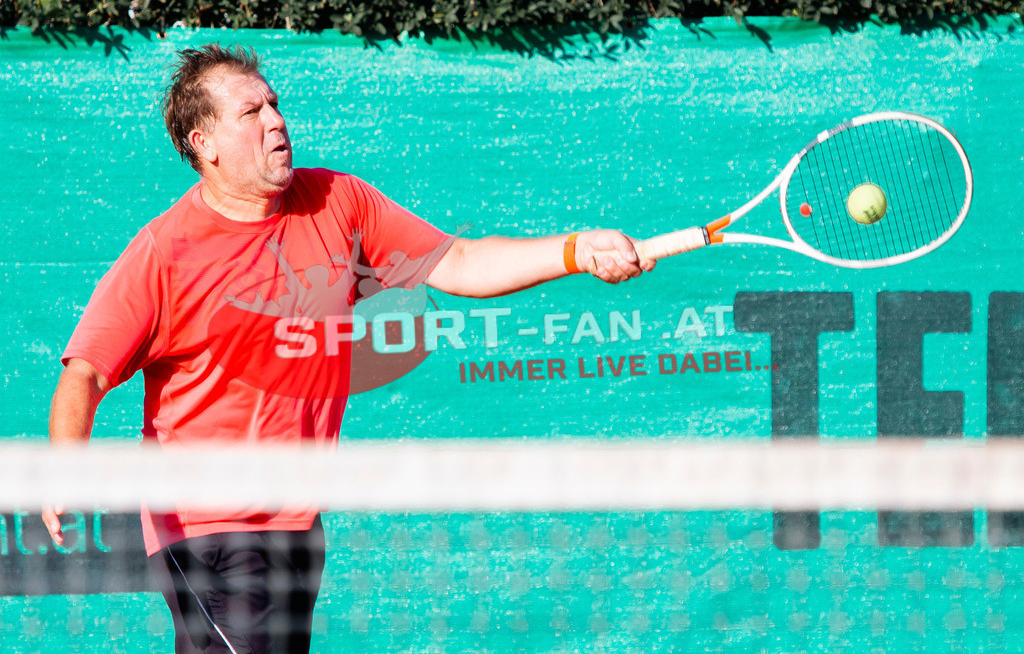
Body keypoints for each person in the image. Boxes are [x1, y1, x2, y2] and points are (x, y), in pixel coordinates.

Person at [41, 44, 654, 653]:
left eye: (274, 104)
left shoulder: (340, 202)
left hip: (298, 526)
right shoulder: (163, 253)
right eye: (251, 113)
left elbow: (460, 261)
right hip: (208, 531)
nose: (276, 121)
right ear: (205, 144)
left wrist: (577, 249)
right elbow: (85, 374)